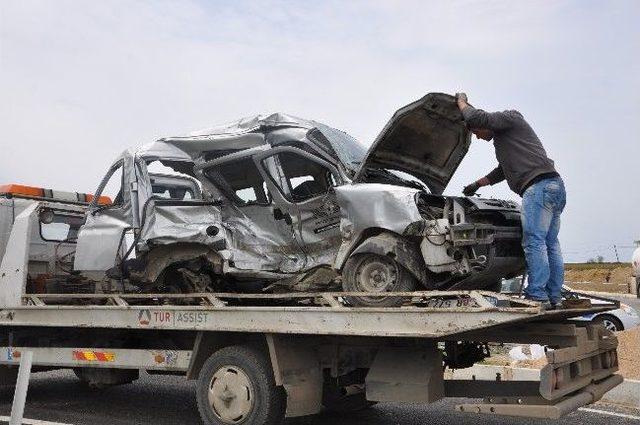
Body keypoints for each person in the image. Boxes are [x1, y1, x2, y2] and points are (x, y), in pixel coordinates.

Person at [455, 93, 566, 308]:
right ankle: (554, 297)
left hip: (538, 188)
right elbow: (502, 171)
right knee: (550, 244)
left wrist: (461, 102)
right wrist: (476, 185)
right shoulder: (505, 143)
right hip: (553, 187)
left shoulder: (511, 118)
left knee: (534, 242)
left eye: (476, 132)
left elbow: (478, 117)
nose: (477, 136)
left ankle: (537, 295)